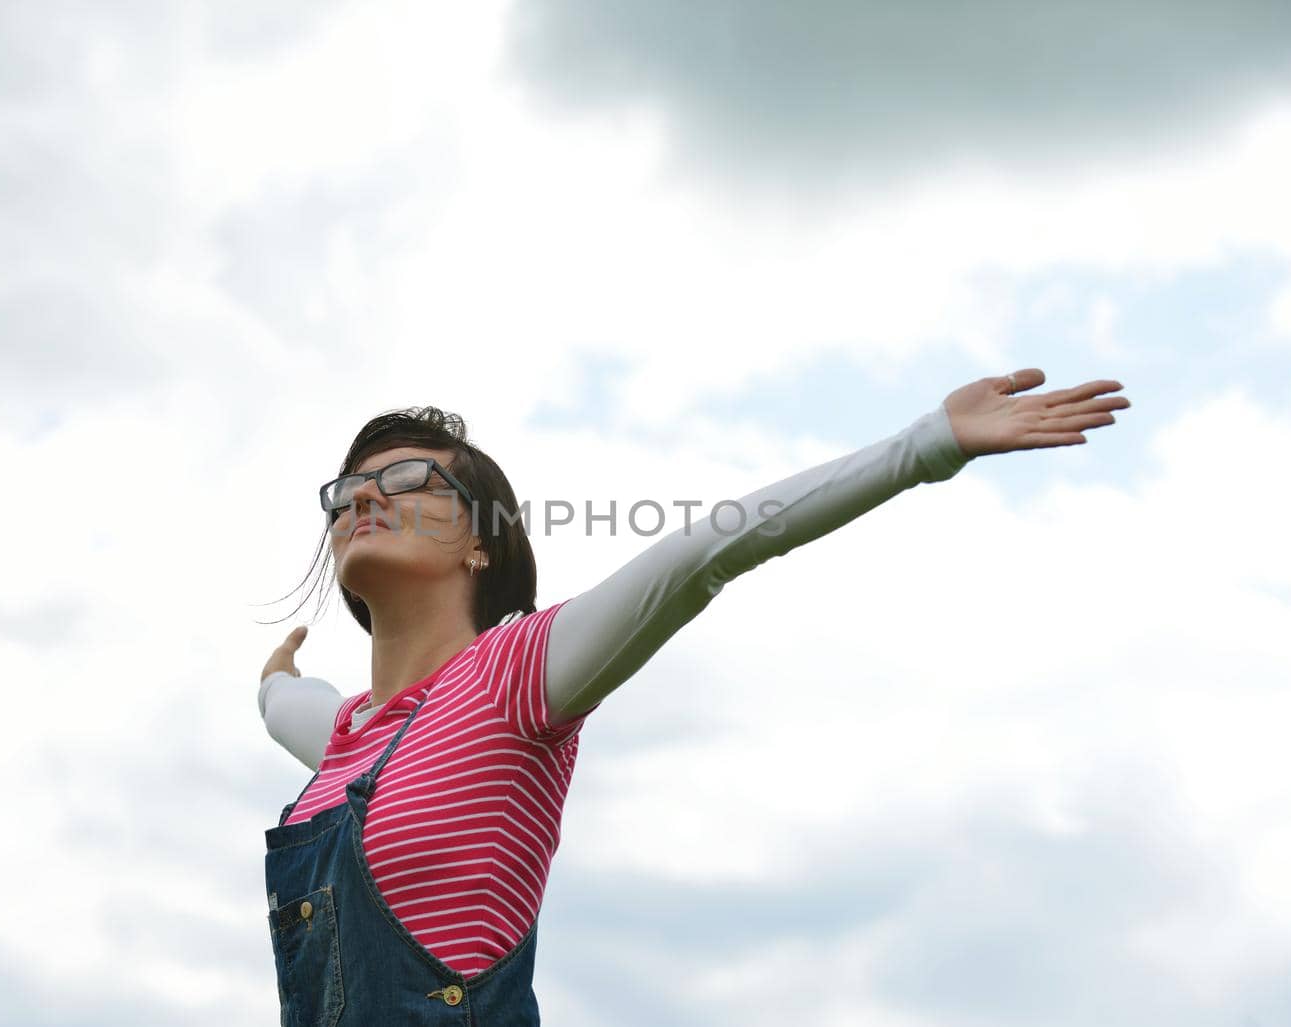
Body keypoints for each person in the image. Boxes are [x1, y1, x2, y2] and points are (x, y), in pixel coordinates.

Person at [256, 368, 1128, 1024]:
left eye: (408, 479)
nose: (365, 493)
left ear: (480, 543)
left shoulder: (513, 676)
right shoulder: (344, 740)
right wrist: (277, 678)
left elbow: (703, 552)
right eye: (347, 489)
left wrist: (928, 443)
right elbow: (282, 703)